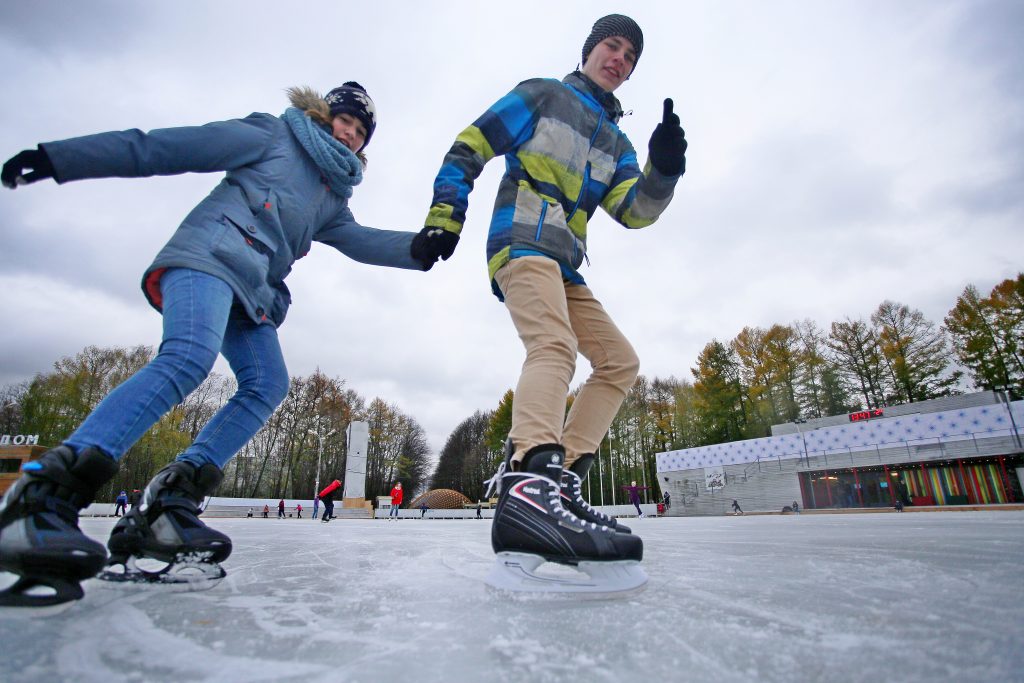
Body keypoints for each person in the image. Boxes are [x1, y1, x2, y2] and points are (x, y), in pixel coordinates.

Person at [0, 81, 426, 608]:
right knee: (187, 358)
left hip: (254, 293)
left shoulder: (332, 196)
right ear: (322, 113)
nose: (350, 134)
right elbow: (164, 147)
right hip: (206, 260)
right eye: (345, 121)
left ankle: (169, 503)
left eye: (361, 132)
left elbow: (361, 241)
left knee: (268, 384)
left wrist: (423, 246)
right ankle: (46, 493)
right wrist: (58, 159)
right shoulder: (273, 134)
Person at [414, 14, 685, 594]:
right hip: (520, 239)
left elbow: (634, 211)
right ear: (590, 50)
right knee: (555, 347)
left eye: (631, 56)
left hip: (565, 263)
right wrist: (445, 214)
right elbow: (471, 143)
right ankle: (530, 489)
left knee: (619, 361)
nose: (620, 58)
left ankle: (560, 487)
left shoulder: (618, 142)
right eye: (612, 46)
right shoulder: (543, 95)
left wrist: (663, 171)